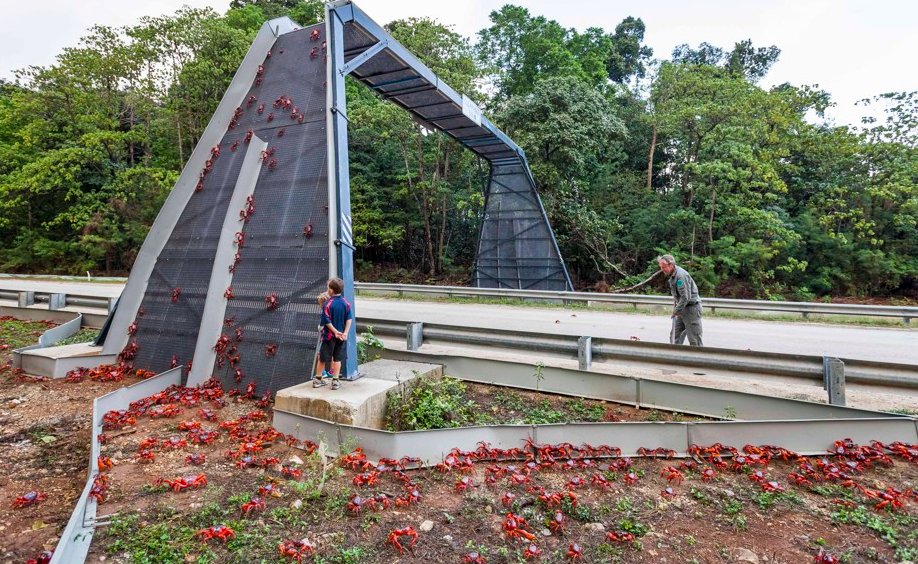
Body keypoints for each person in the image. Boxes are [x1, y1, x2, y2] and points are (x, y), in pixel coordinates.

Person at [314, 278, 353, 390]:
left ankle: (318, 379)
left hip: (329, 336)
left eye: (328, 288)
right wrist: (344, 333)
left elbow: (326, 321)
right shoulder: (346, 303)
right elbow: (349, 319)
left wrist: (335, 331)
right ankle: (335, 381)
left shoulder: (327, 304)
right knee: (337, 359)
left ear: (331, 290)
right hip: (341, 337)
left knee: (322, 358)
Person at [657, 254, 703, 346]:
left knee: (694, 340)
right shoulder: (673, 275)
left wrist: (676, 311)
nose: (662, 269)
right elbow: (677, 296)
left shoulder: (680, 276)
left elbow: (685, 297)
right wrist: (677, 309)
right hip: (682, 309)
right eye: (661, 267)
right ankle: (675, 357)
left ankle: (698, 359)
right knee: (675, 336)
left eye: (664, 267)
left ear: (671, 265)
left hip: (691, 310)